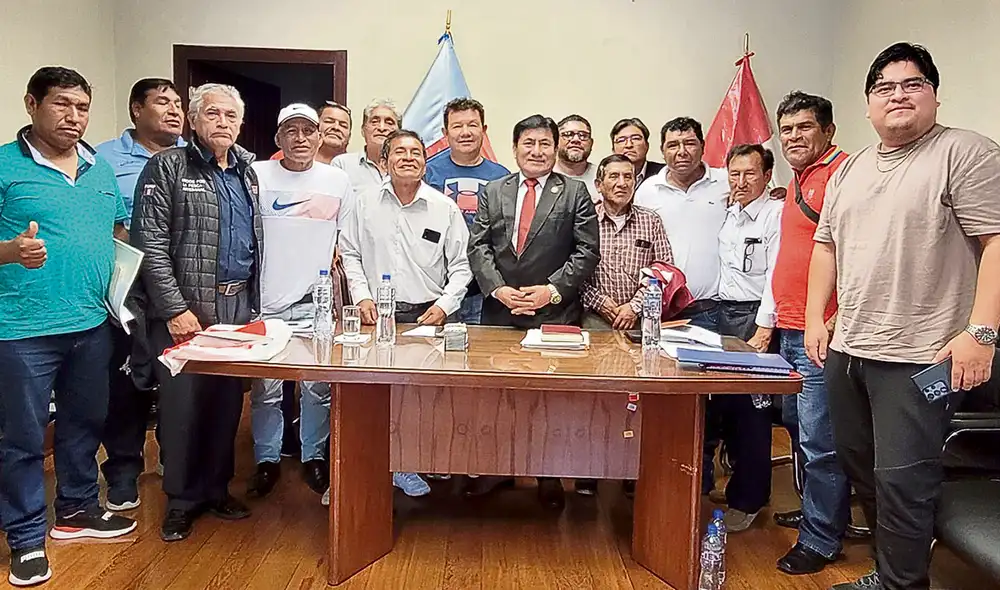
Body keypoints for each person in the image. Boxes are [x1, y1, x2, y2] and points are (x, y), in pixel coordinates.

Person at [807, 43, 1000, 590]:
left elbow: (996, 242)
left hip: (921, 354)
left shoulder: (965, 152)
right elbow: (825, 246)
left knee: (902, 482)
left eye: (912, 84)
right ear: (868, 104)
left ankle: (903, 583)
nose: (898, 95)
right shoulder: (850, 169)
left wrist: (982, 333)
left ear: (934, 95)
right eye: (884, 88)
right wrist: (818, 317)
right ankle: (890, 571)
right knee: (859, 466)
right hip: (849, 348)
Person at [0, 66, 136, 588]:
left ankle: (77, 511)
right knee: (24, 438)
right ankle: (25, 538)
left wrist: (122, 282)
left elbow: (117, 231)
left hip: (92, 322)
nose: (73, 116)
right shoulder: (6, 166)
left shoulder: (99, 169)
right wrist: (11, 251)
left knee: (84, 424)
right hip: (22, 330)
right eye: (61, 104)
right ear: (31, 104)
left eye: (82, 107)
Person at [131, 83, 263, 543]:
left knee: (226, 405)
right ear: (193, 119)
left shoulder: (246, 171)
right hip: (185, 310)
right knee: (182, 407)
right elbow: (149, 242)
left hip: (236, 307)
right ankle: (182, 501)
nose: (223, 122)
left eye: (231, 115)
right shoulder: (167, 166)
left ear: (241, 123)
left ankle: (215, 489)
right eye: (213, 113)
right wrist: (174, 308)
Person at [467, 114, 600, 509]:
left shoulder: (574, 192)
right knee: (499, 399)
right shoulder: (494, 191)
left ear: (555, 149)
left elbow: (586, 251)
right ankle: (497, 468)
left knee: (548, 402)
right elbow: (479, 246)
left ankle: (548, 474)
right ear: (515, 148)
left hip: (552, 315)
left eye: (545, 143)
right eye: (529, 143)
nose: (537, 151)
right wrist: (498, 289)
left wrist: (551, 292)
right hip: (500, 313)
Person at [340, 129, 473, 497]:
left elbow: (462, 266)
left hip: (425, 318)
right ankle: (360, 473)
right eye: (399, 152)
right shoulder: (364, 203)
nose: (408, 158)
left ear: (425, 163)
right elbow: (349, 253)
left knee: (420, 399)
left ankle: (409, 464)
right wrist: (361, 295)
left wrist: (444, 305)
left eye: (416, 152)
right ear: (384, 161)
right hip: (375, 316)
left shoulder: (444, 208)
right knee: (370, 399)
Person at [248, 104, 354, 501]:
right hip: (266, 303)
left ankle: (314, 457)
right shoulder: (256, 175)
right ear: (278, 138)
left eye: (308, 130)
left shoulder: (337, 181)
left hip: (316, 303)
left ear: (319, 136)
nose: (300, 138)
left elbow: (348, 241)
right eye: (290, 131)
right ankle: (266, 459)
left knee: (317, 388)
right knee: (266, 390)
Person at [768, 91, 853, 576]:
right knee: (799, 429)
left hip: (819, 333)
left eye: (804, 127)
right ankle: (818, 512)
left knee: (821, 440)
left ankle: (821, 538)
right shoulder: (800, 178)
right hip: (790, 326)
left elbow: (861, 255)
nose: (794, 137)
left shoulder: (843, 175)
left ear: (828, 131)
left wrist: (831, 320)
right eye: (787, 129)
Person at [95, 77, 186, 513]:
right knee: (126, 381)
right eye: (163, 102)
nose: (174, 110)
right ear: (136, 109)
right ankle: (123, 472)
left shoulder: (193, 157)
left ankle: (175, 459)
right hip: (127, 288)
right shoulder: (102, 159)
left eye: (179, 103)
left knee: (177, 379)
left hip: (179, 289)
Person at [634, 117, 729, 496]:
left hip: (710, 310)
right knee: (661, 399)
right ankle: (660, 479)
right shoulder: (648, 190)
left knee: (707, 402)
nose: (682, 152)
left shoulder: (725, 183)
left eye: (689, 143)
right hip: (660, 312)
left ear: (702, 146)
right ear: (662, 151)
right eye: (673, 145)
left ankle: (699, 481)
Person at [711, 144, 782, 534]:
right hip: (724, 316)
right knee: (728, 408)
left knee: (753, 413)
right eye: (734, 174)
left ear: (767, 176)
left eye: (749, 173)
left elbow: (775, 276)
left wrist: (765, 326)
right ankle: (742, 487)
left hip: (755, 318)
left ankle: (749, 499)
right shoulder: (731, 213)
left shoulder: (774, 215)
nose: (740, 181)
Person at [424, 97, 509, 324]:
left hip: (483, 290)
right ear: (445, 132)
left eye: (472, 125)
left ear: (484, 130)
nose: (465, 132)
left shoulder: (502, 176)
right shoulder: (427, 172)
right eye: (457, 126)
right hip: (438, 288)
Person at [581, 154, 672, 331]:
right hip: (594, 317)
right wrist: (599, 301)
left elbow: (663, 270)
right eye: (614, 176)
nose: (622, 183)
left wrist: (634, 306)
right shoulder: (585, 219)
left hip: (641, 318)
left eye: (628, 177)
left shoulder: (651, 221)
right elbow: (571, 268)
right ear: (599, 185)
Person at [332, 98, 399, 195]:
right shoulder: (342, 165)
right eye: (375, 121)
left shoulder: (407, 166)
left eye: (389, 123)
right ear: (363, 130)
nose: (382, 128)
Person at [271, 101, 352, 164]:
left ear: (349, 136)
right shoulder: (283, 157)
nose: (336, 127)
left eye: (343, 125)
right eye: (329, 121)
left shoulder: (352, 165)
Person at [554, 114, 598, 202]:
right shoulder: (545, 175)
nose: (576, 140)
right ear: (556, 141)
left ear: (591, 143)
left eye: (583, 135)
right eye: (568, 134)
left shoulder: (602, 176)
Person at [610, 117, 664, 187]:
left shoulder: (663, 173)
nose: (629, 145)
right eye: (621, 140)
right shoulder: (607, 178)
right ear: (613, 149)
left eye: (635, 138)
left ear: (647, 145)